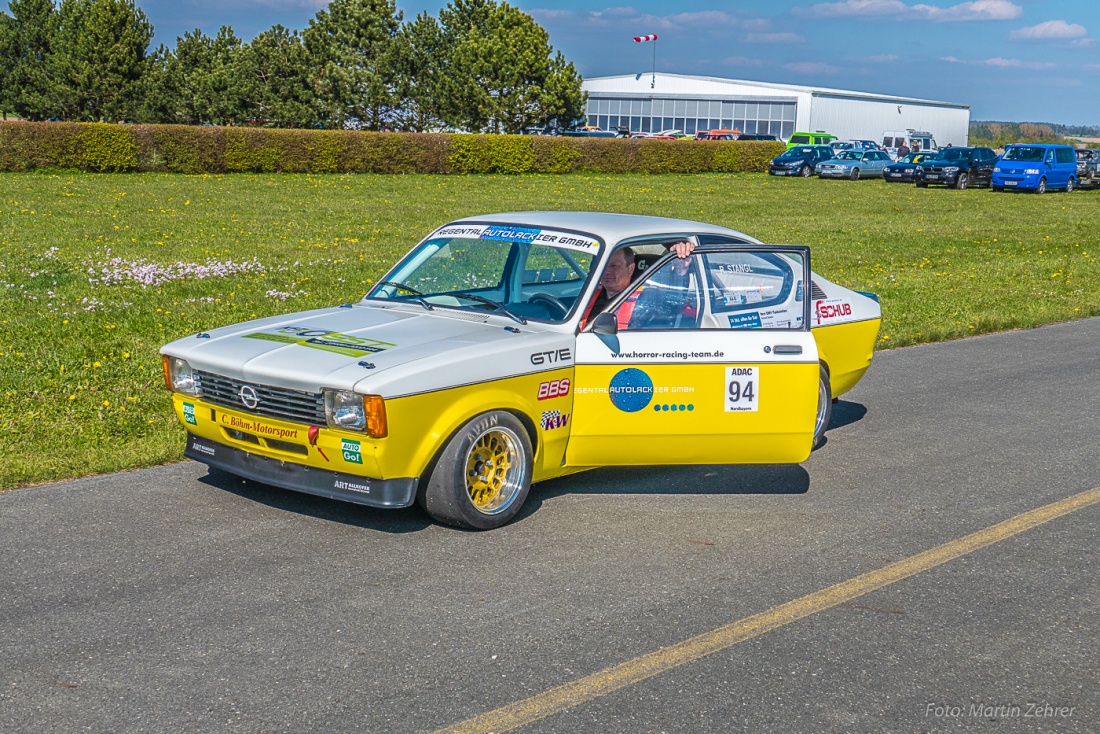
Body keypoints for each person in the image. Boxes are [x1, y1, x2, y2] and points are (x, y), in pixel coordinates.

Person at [580, 241, 695, 328]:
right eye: (603, 266)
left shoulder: (647, 299)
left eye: (614, 266)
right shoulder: (589, 294)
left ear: (631, 269)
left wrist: (681, 269)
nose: (607, 272)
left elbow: (674, 302)